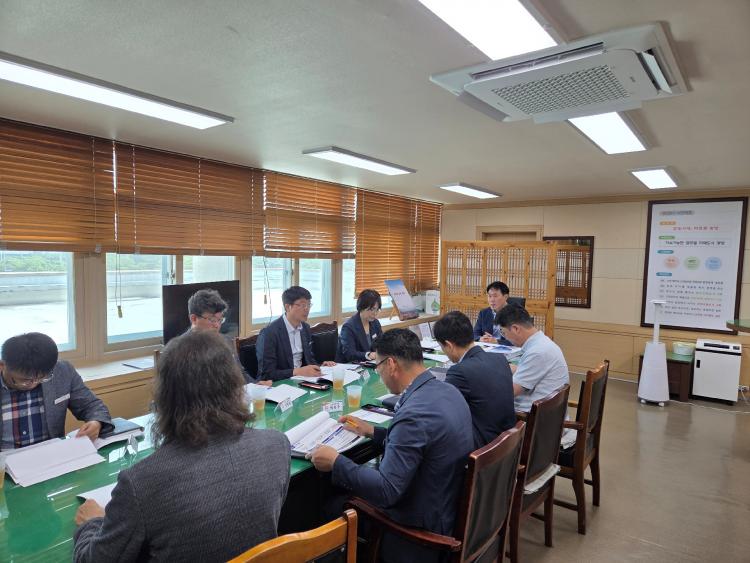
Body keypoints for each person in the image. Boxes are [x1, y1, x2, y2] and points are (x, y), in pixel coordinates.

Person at [73, 330, 291, 563]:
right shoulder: (277, 445)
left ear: (165, 397)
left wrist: (91, 523)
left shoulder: (140, 483)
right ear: (236, 386)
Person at [310, 329, 473, 563]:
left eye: (378, 367)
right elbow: (422, 444)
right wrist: (372, 431)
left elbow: (387, 491)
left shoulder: (413, 415)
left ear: (391, 364)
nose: (379, 374)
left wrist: (336, 462)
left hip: (417, 532)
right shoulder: (448, 391)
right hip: (446, 505)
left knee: (329, 504)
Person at [0, 332, 112, 450]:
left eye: (42, 378)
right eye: (24, 380)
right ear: (2, 365)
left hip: (52, 453)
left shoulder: (62, 371)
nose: (33, 384)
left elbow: (92, 405)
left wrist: (96, 422)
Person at [433, 311, 516, 448]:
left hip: (483, 449)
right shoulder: (499, 358)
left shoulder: (459, 372)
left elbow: (442, 411)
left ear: (449, 345)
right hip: (508, 443)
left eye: (443, 348)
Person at [495, 305, 569, 412]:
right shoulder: (542, 342)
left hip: (530, 417)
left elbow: (510, 391)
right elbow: (527, 369)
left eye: (503, 332)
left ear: (516, 329)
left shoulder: (537, 352)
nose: (504, 337)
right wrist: (503, 367)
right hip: (548, 414)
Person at [187, 288, 268, 385]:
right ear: (194, 319)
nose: (217, 325)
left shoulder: (227, 341)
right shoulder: (181, 350)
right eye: (212, 320)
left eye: (220, 320)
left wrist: (256, 385)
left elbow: (241, 373)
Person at [257, 286, 335, 381]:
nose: (307, 309)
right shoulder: (269, 333)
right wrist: (297, 371)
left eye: (309, 304)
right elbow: (267, 374)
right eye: (302, 305)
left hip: (302, 380)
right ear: (287, 307)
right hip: (280, 384)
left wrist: (320, 366)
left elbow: (309, 360)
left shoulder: (305, 328)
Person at [336, 289, 384, 363]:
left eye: (377, 310)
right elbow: (350, 354)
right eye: (372, 309)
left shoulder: (375, 323)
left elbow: (381, 344)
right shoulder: (348, 327)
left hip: (370, 363)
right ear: (361, 307)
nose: (375, 313)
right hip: (350, 366)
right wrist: (368, 355)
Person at [473, 281, 513, 345]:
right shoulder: (484, 313)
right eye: (489, 296)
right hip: (488, 348)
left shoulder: (515, 313)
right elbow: (475, 334)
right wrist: (481, 338)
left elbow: (520, 339)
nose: (492, 300)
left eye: (495, 296)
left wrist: (497, 341)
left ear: (505, 297)